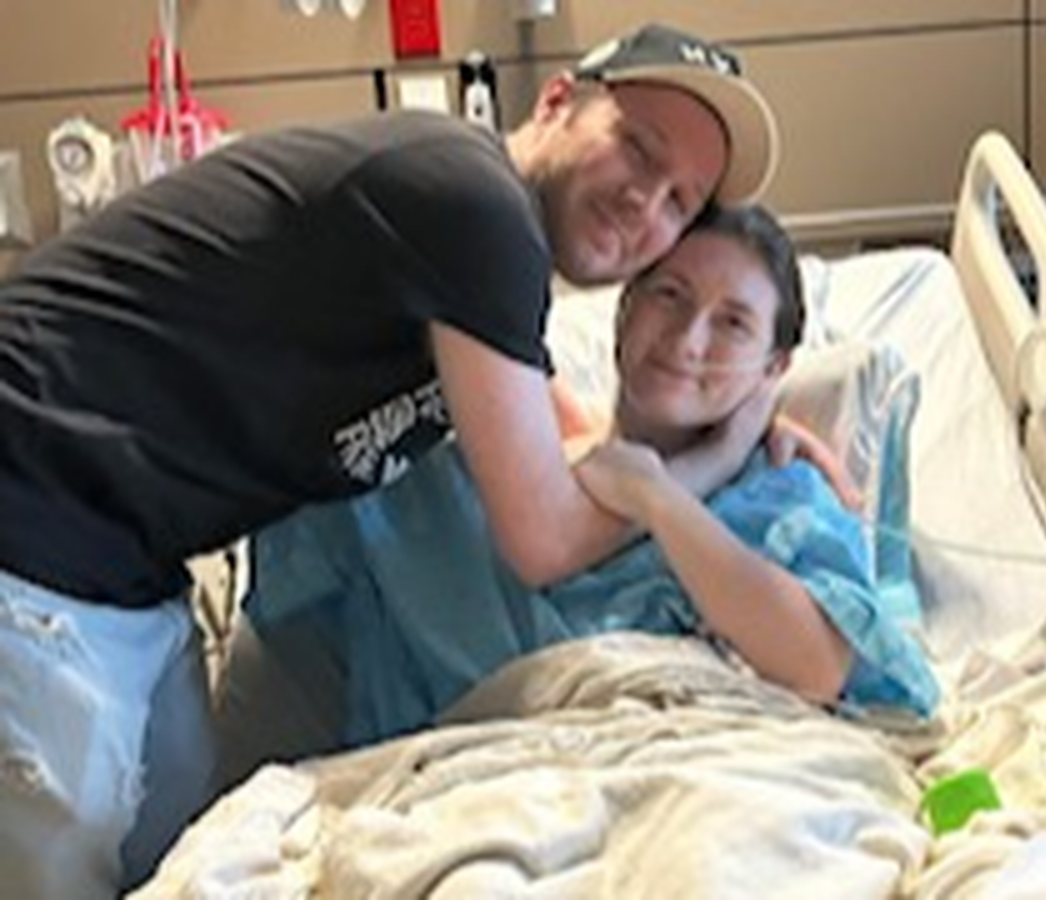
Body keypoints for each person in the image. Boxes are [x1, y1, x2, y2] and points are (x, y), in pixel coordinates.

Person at [0, 23, 781, 899]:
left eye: (680, 200)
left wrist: (764, 411)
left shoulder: (478, 267)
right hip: (34, 520)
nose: (648, 203)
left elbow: (574, 429)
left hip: (122, 560)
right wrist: (714, 460)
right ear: (557, 100)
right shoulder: (475, 206)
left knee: (177, 858)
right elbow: (546, 538)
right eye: (638, 148)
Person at [215, 204, 940, 788]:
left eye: (733, 323)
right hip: (473, 783)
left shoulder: (780, 490)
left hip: (682, 782)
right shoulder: (505, 471)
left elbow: (817, 668)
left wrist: (662, 499)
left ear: (773, 367)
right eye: (669, 295)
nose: (689, 339)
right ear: (624, 311)